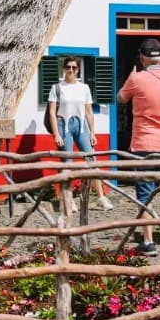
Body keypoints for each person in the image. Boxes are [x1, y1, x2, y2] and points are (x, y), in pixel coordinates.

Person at [117, 37, 160, 255]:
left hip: (145, 143)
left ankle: (149, 241)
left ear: (142, 58)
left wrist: (131, 75)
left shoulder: (137, 79)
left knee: (145, 194)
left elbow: (120, 99)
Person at [48, 57, 113, 210]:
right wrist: (56, 134)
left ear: (78, 70)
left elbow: (89, 112)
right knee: (67, 163)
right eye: (68, 67)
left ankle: (101, 197)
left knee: (92, 159)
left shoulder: (84, 88)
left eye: (74, 68)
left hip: (81, 125)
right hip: (63, 125)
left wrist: (93, 133)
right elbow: (52, 113)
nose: (71, 70)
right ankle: (68, 199)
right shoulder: (57, 87)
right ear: (63, 69)